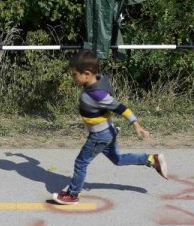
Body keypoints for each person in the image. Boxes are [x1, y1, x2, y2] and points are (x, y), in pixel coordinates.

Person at [53, 50, 168, 205]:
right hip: (108, 131)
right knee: (118, 159)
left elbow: (121, 108)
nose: (73, 78)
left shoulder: (98, 94)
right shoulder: (98, 79)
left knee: (81, 163)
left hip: (99, 135)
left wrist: (136, 124)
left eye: (74, 75)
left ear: (86, 74)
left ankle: (72, 194)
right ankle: (150, 159)